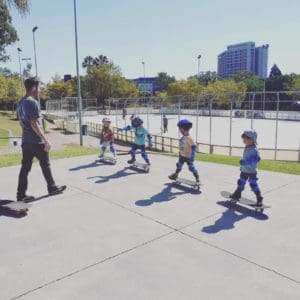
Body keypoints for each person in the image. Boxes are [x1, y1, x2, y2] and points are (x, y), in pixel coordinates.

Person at [16, 77, 66, 201]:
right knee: (45, 164)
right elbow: (34, 123)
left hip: (26, 141)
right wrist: (45, 140)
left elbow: (22, 123)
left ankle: (20, 194)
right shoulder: (32, 102)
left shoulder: (20, 102)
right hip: (35, 141)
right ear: (33, 88)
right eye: (38, 87)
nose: (39, 90)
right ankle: (52, 187)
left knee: (25, 168)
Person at [230, 130, 263, 206]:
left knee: (253, 184)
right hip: (244, 170)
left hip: (251, 172)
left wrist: (245, 162)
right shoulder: (247, 147)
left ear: (251, 140)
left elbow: (256, 159)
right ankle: (237, 194)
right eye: (243, 139)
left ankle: (259, 198)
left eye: (245, 139)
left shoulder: (254, 150)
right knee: (241, 182)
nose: (243, 140)